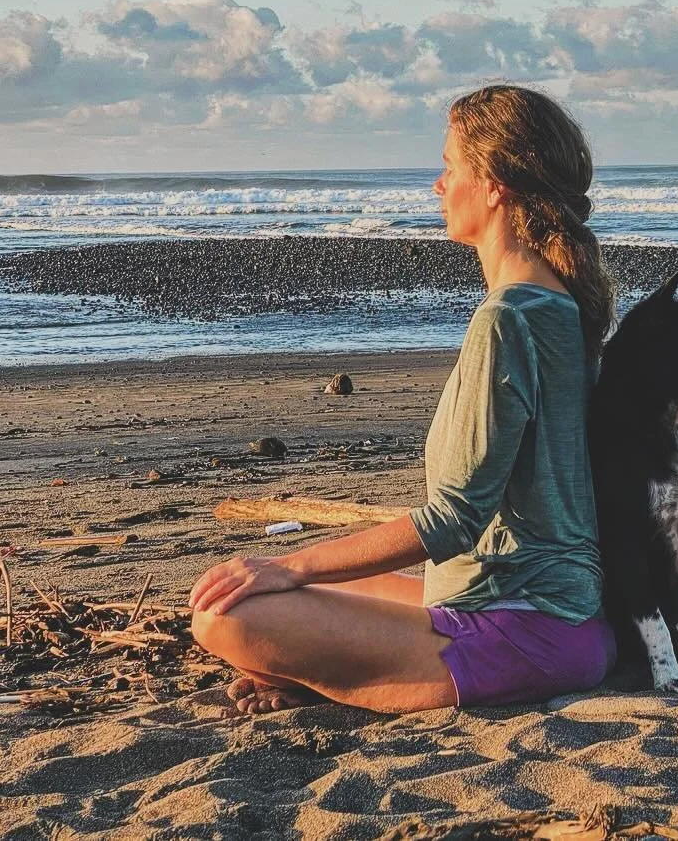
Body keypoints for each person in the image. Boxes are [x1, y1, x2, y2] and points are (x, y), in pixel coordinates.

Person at [190, 85, 617, 713]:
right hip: (564, 616)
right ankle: (319, 672)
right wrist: (300, 566)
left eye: (450, 167)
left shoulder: (508, 319)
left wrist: (295, 569)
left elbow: (454, 519)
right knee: (315, 577)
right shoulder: (562, 303)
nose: (438, 186)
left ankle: (322, 676)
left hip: (520, 631)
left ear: (495, 184)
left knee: (225, 616)